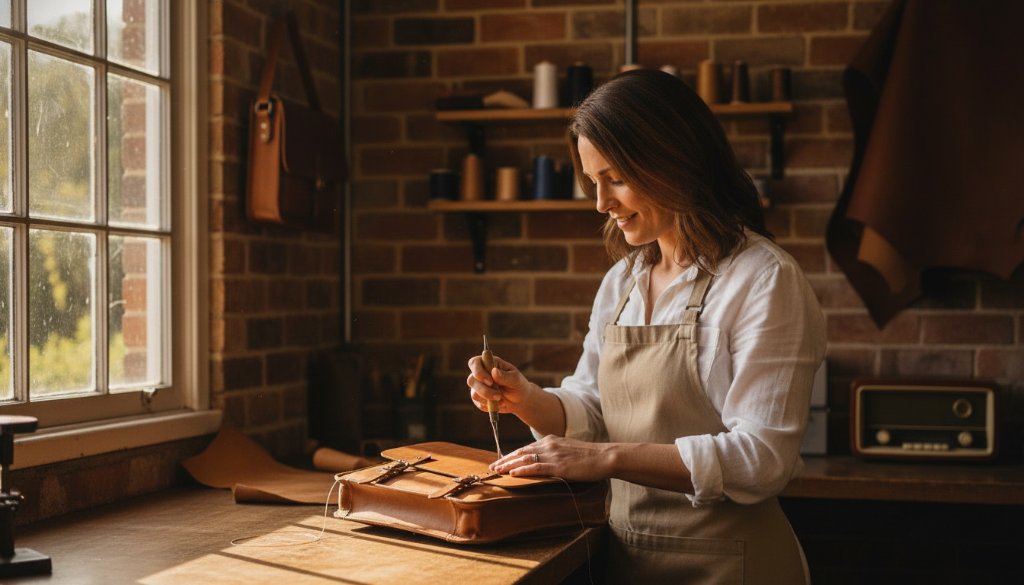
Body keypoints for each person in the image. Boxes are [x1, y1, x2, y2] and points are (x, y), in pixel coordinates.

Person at [466, 69, 825, 585]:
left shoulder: (764, 279)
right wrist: (525, 398)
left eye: (615, 178)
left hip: (734, 566)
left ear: (672, 162)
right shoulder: (623, 282)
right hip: (629, 562)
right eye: (593, 182)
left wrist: (606, 458)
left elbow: (762, 458)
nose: (601, 203)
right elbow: (592, 410)